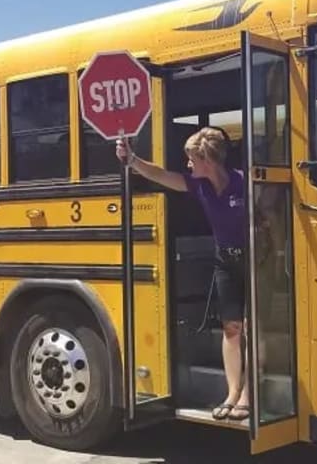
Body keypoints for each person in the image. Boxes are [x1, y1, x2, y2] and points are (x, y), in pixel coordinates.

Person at [116, 126, 257, 421]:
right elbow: (162, 176)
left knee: (254, 327)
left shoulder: (245, 183)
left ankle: (249, 394)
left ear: (207, 160)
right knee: (232, 329)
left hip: (255, 260)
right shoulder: (199, 186)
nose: (188, 165)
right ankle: (233, 392)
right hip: (224, 260)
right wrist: (132, 160)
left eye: (192, 159)